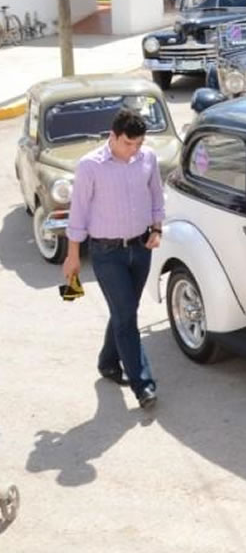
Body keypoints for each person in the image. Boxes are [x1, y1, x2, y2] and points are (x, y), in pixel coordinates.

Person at [63, 108, 163, 409]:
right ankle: (143, 384)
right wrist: (72, 257)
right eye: (127, 144)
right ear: (113, 136)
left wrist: (157, 229)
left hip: (141, 247)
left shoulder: (148, 158)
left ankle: (108, 362)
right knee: (126, 316)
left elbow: (157, 196)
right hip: (107, 253)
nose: (133, 150)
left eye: (138, 144)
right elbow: (78, 212)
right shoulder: (90, 166)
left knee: (124, 312)